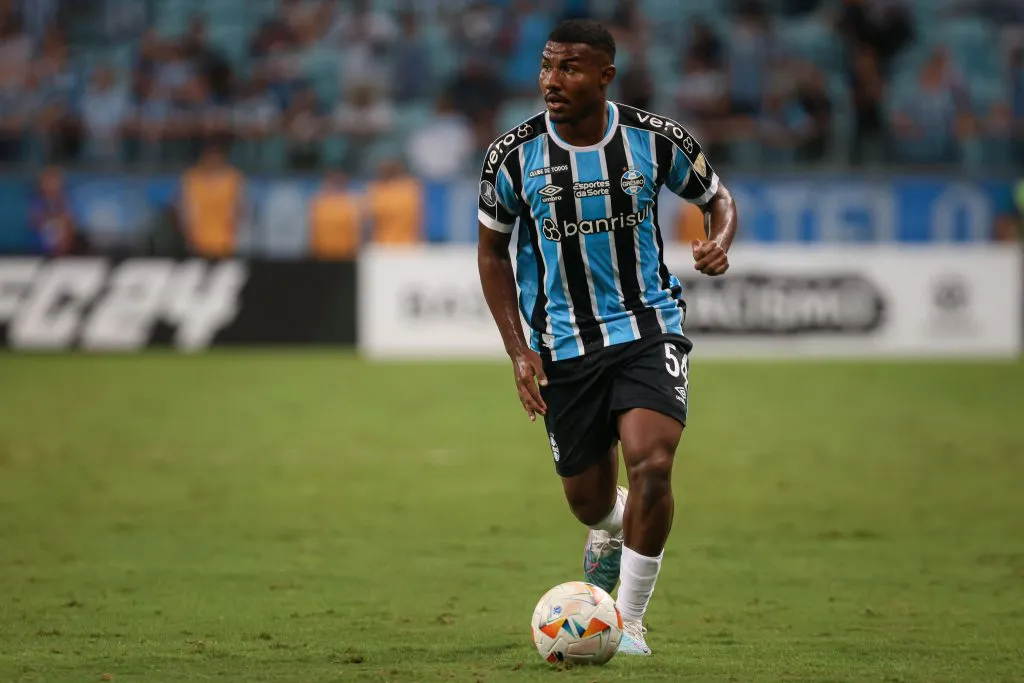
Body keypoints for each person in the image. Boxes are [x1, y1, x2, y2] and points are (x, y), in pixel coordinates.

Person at [477, 19, 737, 656]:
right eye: (546, 66)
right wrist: (518, 348)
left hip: (649, 327)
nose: (551, 81)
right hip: (564, 346)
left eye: (568, 68)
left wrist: (718, 241)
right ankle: (611, 525)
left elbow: (718, 198)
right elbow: (491, 254)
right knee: (588, 501)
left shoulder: (655, 139)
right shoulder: (513, 156)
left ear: (605, 76)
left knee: (653, 461)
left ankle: (629, 621)